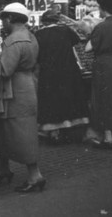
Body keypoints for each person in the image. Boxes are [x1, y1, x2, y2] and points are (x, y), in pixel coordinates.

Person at [0, 3, 45, 192]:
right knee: (5, 130)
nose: (2, 23)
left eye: (3, 19)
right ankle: (4, 170)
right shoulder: (31, 37)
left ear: (10, 19)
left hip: (13, 91)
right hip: (28, 85)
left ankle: (34, 175)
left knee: (21, 132)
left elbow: (4, 70)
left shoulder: (13, 41)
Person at [35, 10, 89, 144]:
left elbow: (37, 54)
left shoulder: (38, 34)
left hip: (49, 72)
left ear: (44, 21)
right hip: (68, 69)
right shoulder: (66, 30)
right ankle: (69, 129)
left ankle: (53, 131)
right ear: (57, 20)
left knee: (52, 100)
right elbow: (76, 41)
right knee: (68, 97)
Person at [85, 0, 112, 149]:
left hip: (104, 64)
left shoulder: (101, 27)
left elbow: (89, 48)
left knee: (103, 98)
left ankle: (108, 136)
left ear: (103, 9)